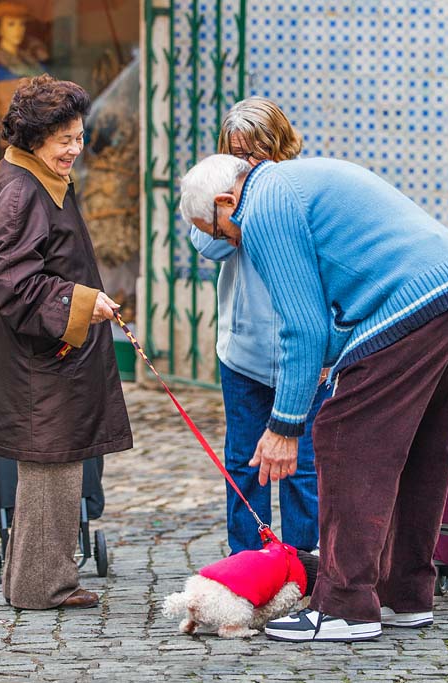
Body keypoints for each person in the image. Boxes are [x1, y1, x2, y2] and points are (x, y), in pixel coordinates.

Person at [179, 154, 448, 642]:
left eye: (222, 231)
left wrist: (285, 425)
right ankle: (406, 595)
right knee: (418, 446)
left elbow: (302, 327)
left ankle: (346, 605)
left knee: (341, 433)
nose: (232, 242)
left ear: (227, 202)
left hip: (414, 302)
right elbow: (325, 323)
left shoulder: (261, 206)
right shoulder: (292, 183)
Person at [0, 74, 133, 610]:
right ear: (33, 136)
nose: (75, 149)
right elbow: (13, 284)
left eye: (79, 137)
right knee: (49, 464)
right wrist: (85, 304)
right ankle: (41, 587)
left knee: (58, 463)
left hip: (45, 357)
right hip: (37, 362)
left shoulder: (35, 177)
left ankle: (39, 581)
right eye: (64, 139)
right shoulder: (20, 190)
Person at [189, 98, 330, 556]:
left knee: (303, 464)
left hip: (305, 357)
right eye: (237, 152)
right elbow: (209, 247)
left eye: (257, 153)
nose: (247, 162)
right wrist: (234, 212)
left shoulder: (300, 190)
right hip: (244, 352)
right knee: (243, 463)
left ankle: (305, 565)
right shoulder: (221, 195)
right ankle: (247, 561)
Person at [0, 1, 48, 173]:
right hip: (9, 155)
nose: (18, 29)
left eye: (21, 24)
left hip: (42, 152)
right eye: (11, 24)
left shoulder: (35, 66)